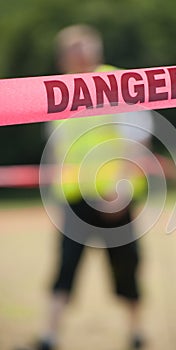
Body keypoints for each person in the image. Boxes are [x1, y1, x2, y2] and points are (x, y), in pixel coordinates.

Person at [18, 24, 154, 350]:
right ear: (62, 57)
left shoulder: (118, 83)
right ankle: (49, 337)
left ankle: (136, 333)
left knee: (126, 266)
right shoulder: (56, 93)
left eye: (84, 46)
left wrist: (120, 188)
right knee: (65, 266)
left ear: (98, 50)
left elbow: (138, 138)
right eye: (72, 48)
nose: (79, 54)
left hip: (114, 196)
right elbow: (57, 147)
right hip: (73, 197)